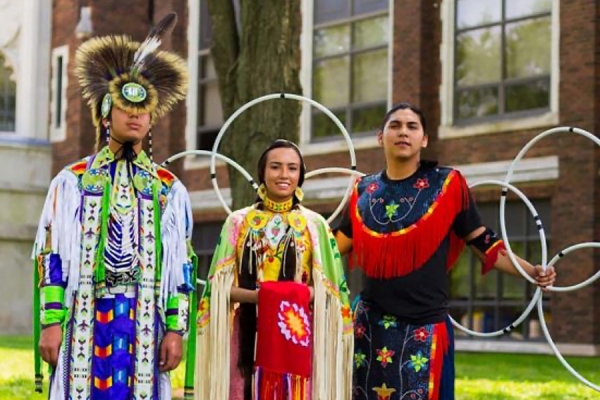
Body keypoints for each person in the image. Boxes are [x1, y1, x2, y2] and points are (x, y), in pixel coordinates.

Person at [334, 102, 557, 400]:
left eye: (412, 127)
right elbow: (333, 246)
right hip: (370, 329)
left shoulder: (447, 184)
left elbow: (484, 243)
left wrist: (533, 271)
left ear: (424, 139)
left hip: (425, 326)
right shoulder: (363, 191)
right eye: (395, 125)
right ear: (380, 136)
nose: (403, 132)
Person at [33, 13, 196, 400]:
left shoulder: (168, 190)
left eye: (144, 110)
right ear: (106, 115)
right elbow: (51, 257)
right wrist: (51, 322)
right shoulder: (72, 182)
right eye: (126, 107)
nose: (137, 115)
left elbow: (181, 267)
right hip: (86, 316)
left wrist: (176, 330)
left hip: (146, 321)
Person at [195, 139, 353, 400]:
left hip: (297, 333)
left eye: (292, 168)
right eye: (276, 167)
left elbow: (331, 290)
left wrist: (288, 297)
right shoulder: (238, 222)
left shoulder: (315, 225)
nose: (284, 175)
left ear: (300, 175)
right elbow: (218, 288)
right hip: (248, 334)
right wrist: (262, 298)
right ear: (262, 173)